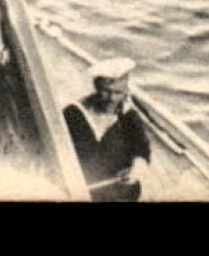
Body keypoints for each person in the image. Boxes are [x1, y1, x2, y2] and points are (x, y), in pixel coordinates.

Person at [63, 57, 153, 201]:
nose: (111, 98)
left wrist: (136, 171)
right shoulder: (73, 113)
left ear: (126, 91)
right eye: (106, 91)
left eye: (118, 93)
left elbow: (141, 150)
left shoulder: (129, 116)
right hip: (82, 189)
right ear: (96, 87)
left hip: (119, 191)